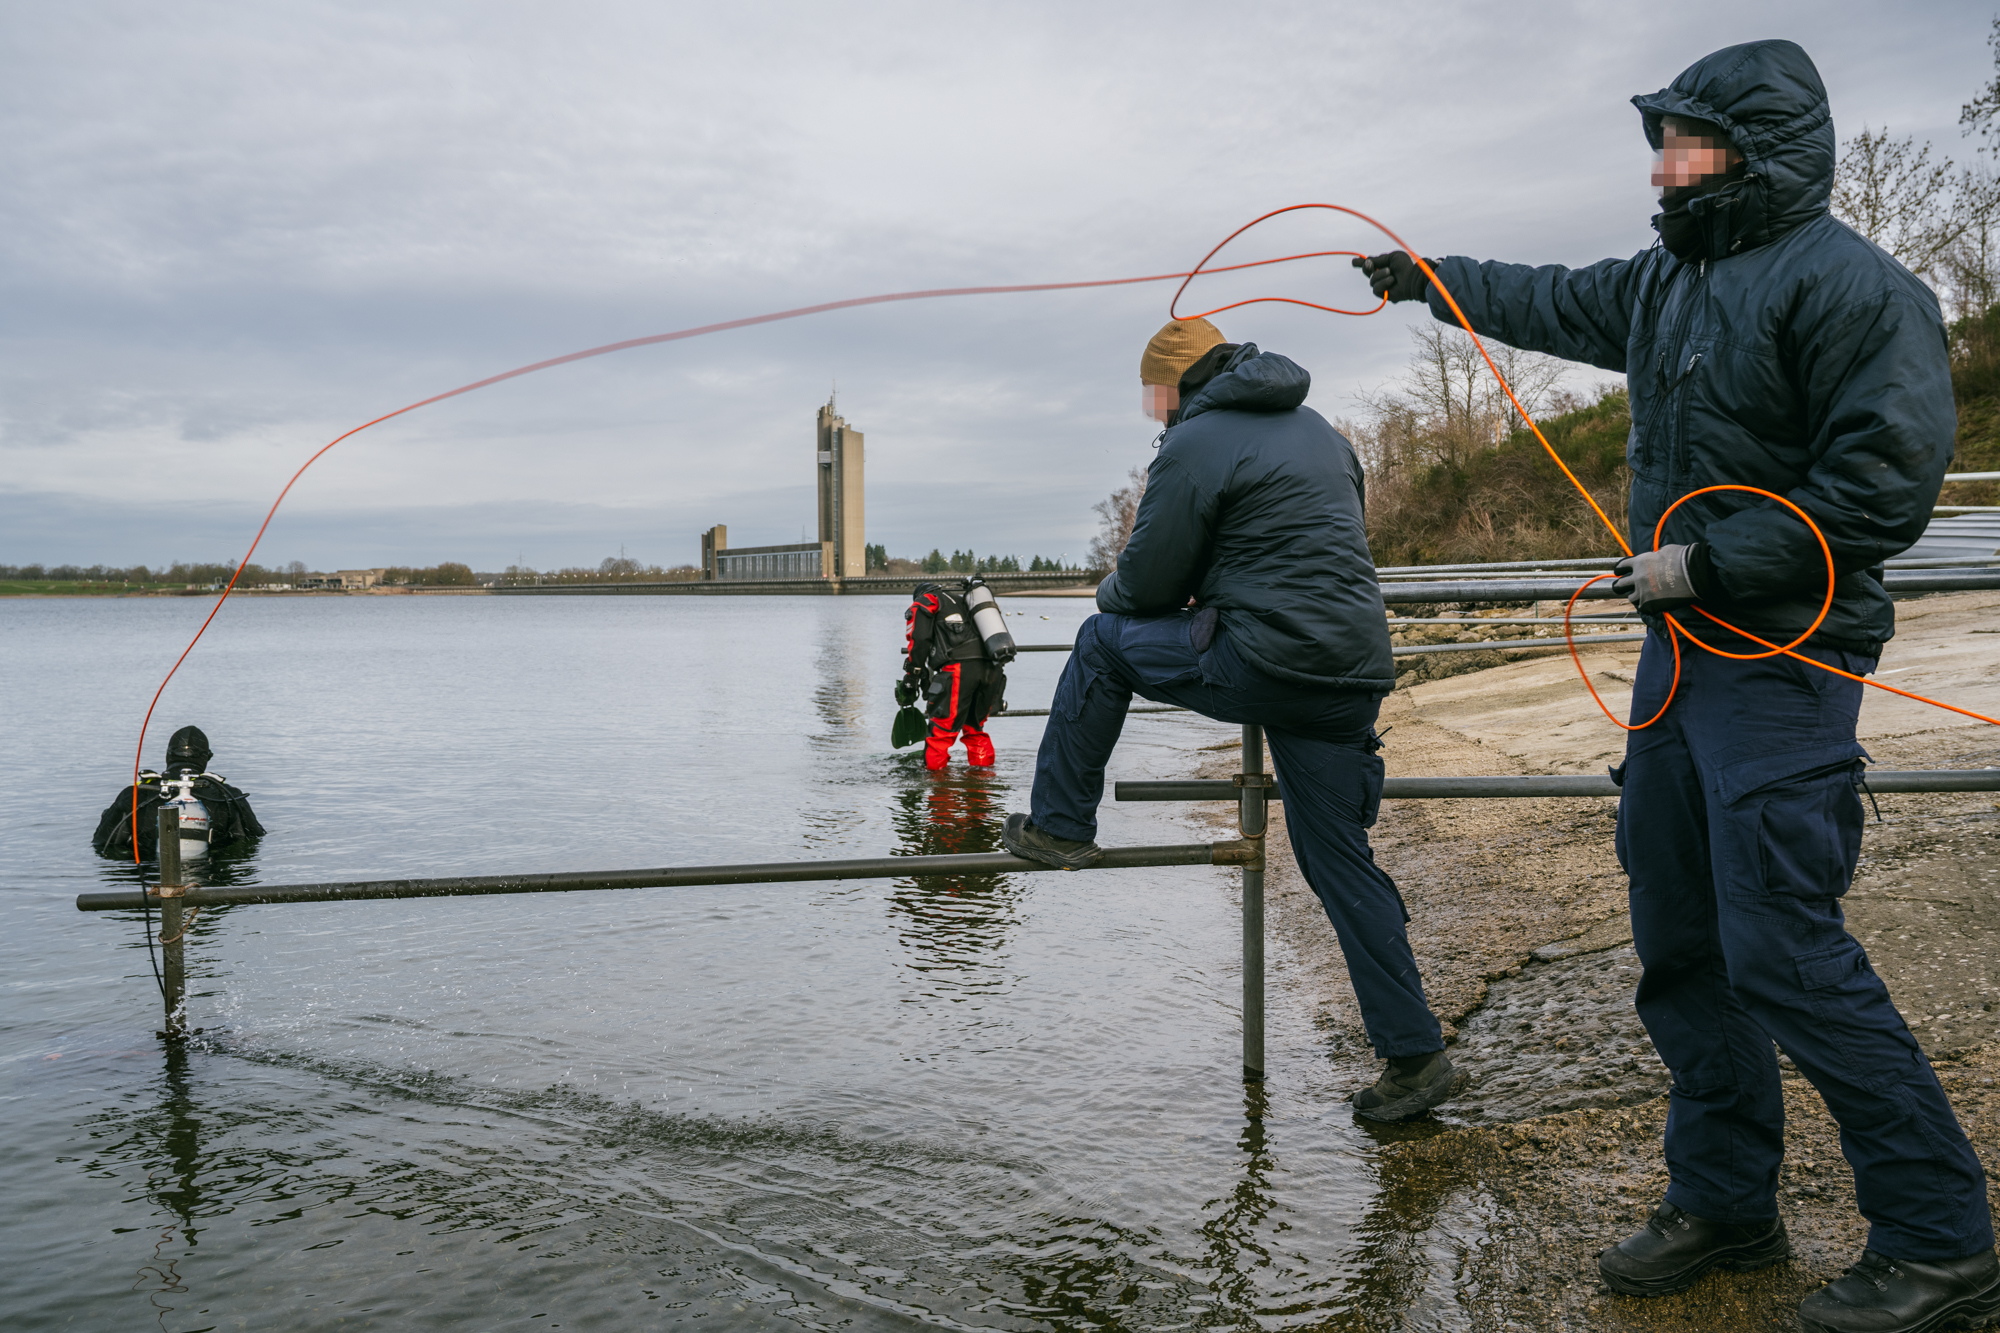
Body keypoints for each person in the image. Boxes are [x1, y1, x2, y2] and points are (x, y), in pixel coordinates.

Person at [1355, 39, 1996, 1331]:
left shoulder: (1862, 291)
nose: (1662, 165)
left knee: (1786, 949)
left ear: (1752, 148)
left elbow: (1882, 492)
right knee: (1680, 943)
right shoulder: (1663, 281)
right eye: (1662, 143)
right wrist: (1431, 283)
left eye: (1685, 143)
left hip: (1785, 661)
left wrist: (1701, 565)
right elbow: (1544, 294)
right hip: (1675, 666)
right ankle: (1725, 1201)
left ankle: (1943, 1241)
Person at [1001, 316, 1454, 1122]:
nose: (1154, 414)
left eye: (1154, 398)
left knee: (1100, 643)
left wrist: (1108, 595)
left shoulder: (1197, 441)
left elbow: (1144, 585)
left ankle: (1061, 824)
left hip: (1265, 661)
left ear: (1179, 387)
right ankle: (1416, 1058)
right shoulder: (1323, 430)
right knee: (1339, 862)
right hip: (1352, 672)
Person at [93, 725, 265, 859]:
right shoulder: (228, 795)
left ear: (168, 756)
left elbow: (103, 844)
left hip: (151, 881)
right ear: (206, 758)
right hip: (210, 881)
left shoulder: (135, 793)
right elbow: (253, 840)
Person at [901, 579, 1006, 771]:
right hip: (993, 669)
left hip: (960, 670)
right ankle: (981, 785)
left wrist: (913, 674)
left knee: (940, 732)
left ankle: (939, 792)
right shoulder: (965, 602)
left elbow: (918, 640)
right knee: (975, 729)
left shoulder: (926, 601)